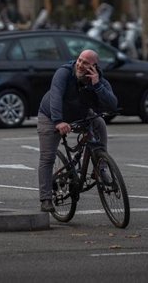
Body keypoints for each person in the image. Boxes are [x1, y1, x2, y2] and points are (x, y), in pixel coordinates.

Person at [36, 49, 118, 213]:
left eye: (86, 63)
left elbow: (112, 105)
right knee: (47, 157)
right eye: (80, 60)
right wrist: (58, 121)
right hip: (51, 115)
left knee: (99, 123)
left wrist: (97, 85)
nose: (80, 65)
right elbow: (56, 96)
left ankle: (100, 167)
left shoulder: (98, 78)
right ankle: (45, 199)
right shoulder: (64, 73)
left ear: (94, 66)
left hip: (79, 114)